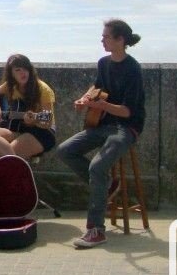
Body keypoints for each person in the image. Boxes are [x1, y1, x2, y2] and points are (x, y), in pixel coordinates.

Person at [57, 19, 145, 249]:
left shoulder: (133, 69)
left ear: (120, 40)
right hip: (102, 125)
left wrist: (104, 107)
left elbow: (127, 112)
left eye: (106, 36)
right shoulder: (103, 63)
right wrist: (85, 100)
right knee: (65, 150)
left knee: (97, 167)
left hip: (126, 128)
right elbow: (97, 89)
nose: (102, 40)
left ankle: (96, 230)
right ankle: (106, 186)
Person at [0, 54, 57, 159]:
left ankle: (16, 165)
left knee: (3, 157)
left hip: (42, 132)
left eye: (25, 68)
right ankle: (17, 166)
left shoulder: (43, 89)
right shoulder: (12, 85)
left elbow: (48, 120)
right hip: (20, 128)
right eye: (18, 70)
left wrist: (35, 119)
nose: (23, 73)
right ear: (11, 74)